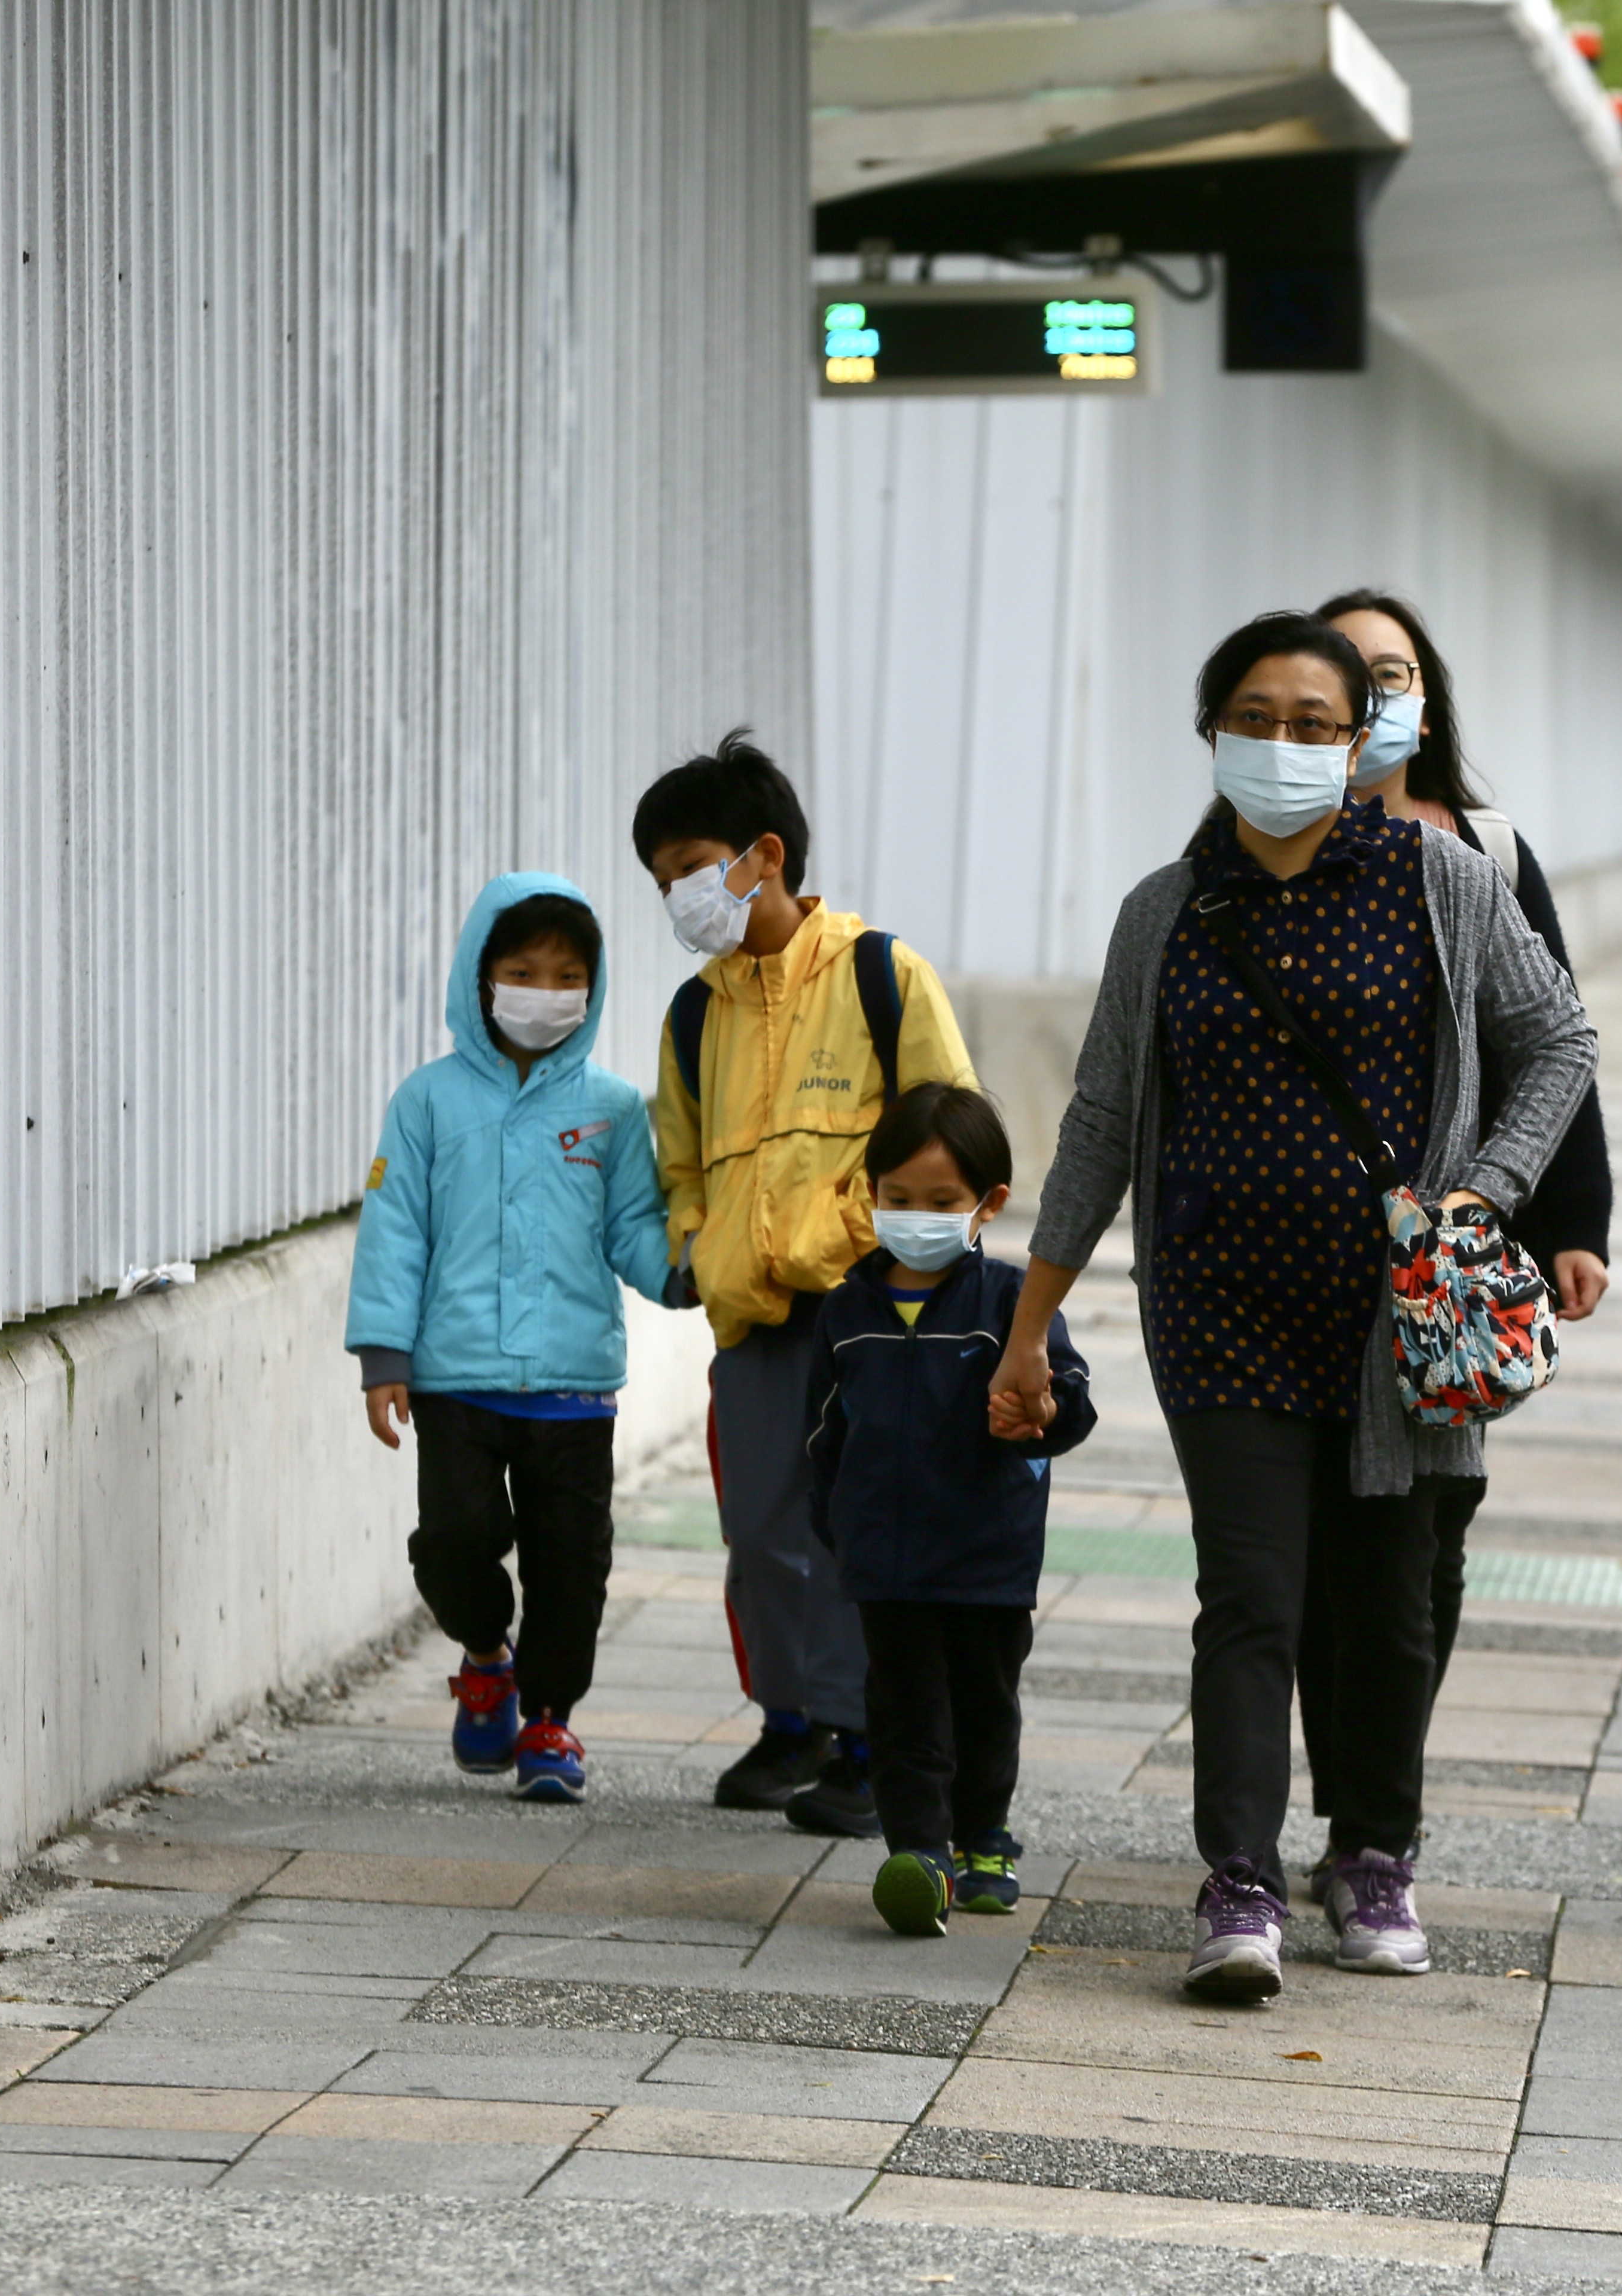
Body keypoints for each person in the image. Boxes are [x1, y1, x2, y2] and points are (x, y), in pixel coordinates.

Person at [992, 610, 1597, 2003]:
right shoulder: (1169, 909)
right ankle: (1240, 1881)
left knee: (1386, 1606)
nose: (1282, 745)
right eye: (1253, 718)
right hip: (1221, 1310)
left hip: (1399, 1324)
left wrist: (1487, 1192)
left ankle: (1374, 1852)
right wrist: (1031, 1323)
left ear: (1358, 740)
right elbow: (1101, 1121)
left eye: (1314, 724)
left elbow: (1558, 1035)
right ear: (1210, 732)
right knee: (1250, 1599)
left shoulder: (1438, 880)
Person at [1300, 588, 1616, 1916]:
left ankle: (1376, 1793)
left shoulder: (1484, 845)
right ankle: (1365, 1812)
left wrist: (1570, 1224)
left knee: (1430, 1535)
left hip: (1454, 1260)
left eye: (1397, 673)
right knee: (1325, 1539)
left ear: (1428, 693)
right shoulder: (1264, 841)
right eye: (1351, 680)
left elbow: (1556, 1040)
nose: (1380, 701)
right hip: (1312, 1252)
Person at [635, 732, 981, 1840]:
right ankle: (794, 1720)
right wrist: (702, 1250)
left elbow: (951, 1129)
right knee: (761, 1529)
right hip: (751, 1321)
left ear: (765, 854)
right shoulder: (696, 1015)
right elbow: (679, 1163)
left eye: (690, 867)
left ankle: (870, 1736)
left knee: (859, 1530)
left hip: (870, 1316)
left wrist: (860, 1236)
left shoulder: (883, 974)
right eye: (662, 883)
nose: (679, 898)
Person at [347, 874, 678, 1806]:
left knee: (573, 1566)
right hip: (456, 1382)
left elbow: (635, 1231)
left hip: (573, 1387)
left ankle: (548, 1720)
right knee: (453, 1545)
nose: (545, 991)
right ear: (482, 977)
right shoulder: (427, 1103)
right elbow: (395, 1228)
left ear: (593, 986)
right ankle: (487, 1653)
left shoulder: (612, 1110)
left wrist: (693, 1275)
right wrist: (385, 1356)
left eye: (567, 975)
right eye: (523, 970)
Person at [805, 1083, 1096, 1937]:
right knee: (901, 1710)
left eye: (941, 1203)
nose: (916, 1217)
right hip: (887, 1566)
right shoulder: (846, 1312)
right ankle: (919, 1851)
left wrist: (1040, 1415)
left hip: (988, 1559)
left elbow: (1070, 1403)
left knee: (983, 1704)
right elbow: (822, 1436)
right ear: (873, 1194)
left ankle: (985, 1838)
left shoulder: (1010, 1304)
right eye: (899, 1199)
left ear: (988, 1204)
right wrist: (841, 1528)